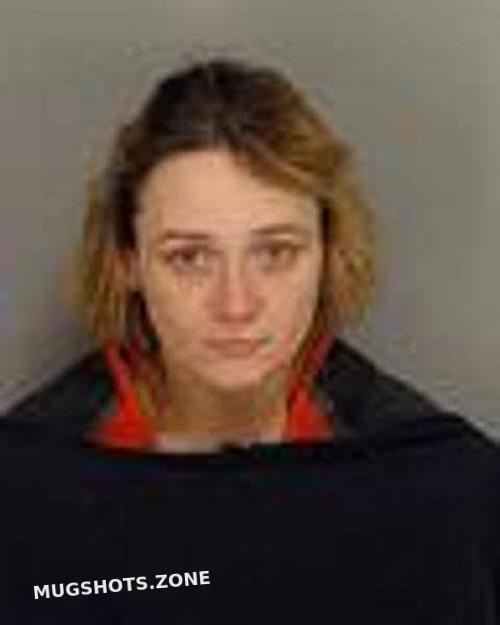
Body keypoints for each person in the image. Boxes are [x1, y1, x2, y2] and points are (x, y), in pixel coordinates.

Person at [1, 57, 498, 624]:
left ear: (328, 253)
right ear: (127, 262)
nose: (236, 304)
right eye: (189, 257)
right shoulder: (22, 492)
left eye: (276, 252)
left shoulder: (448, 493)